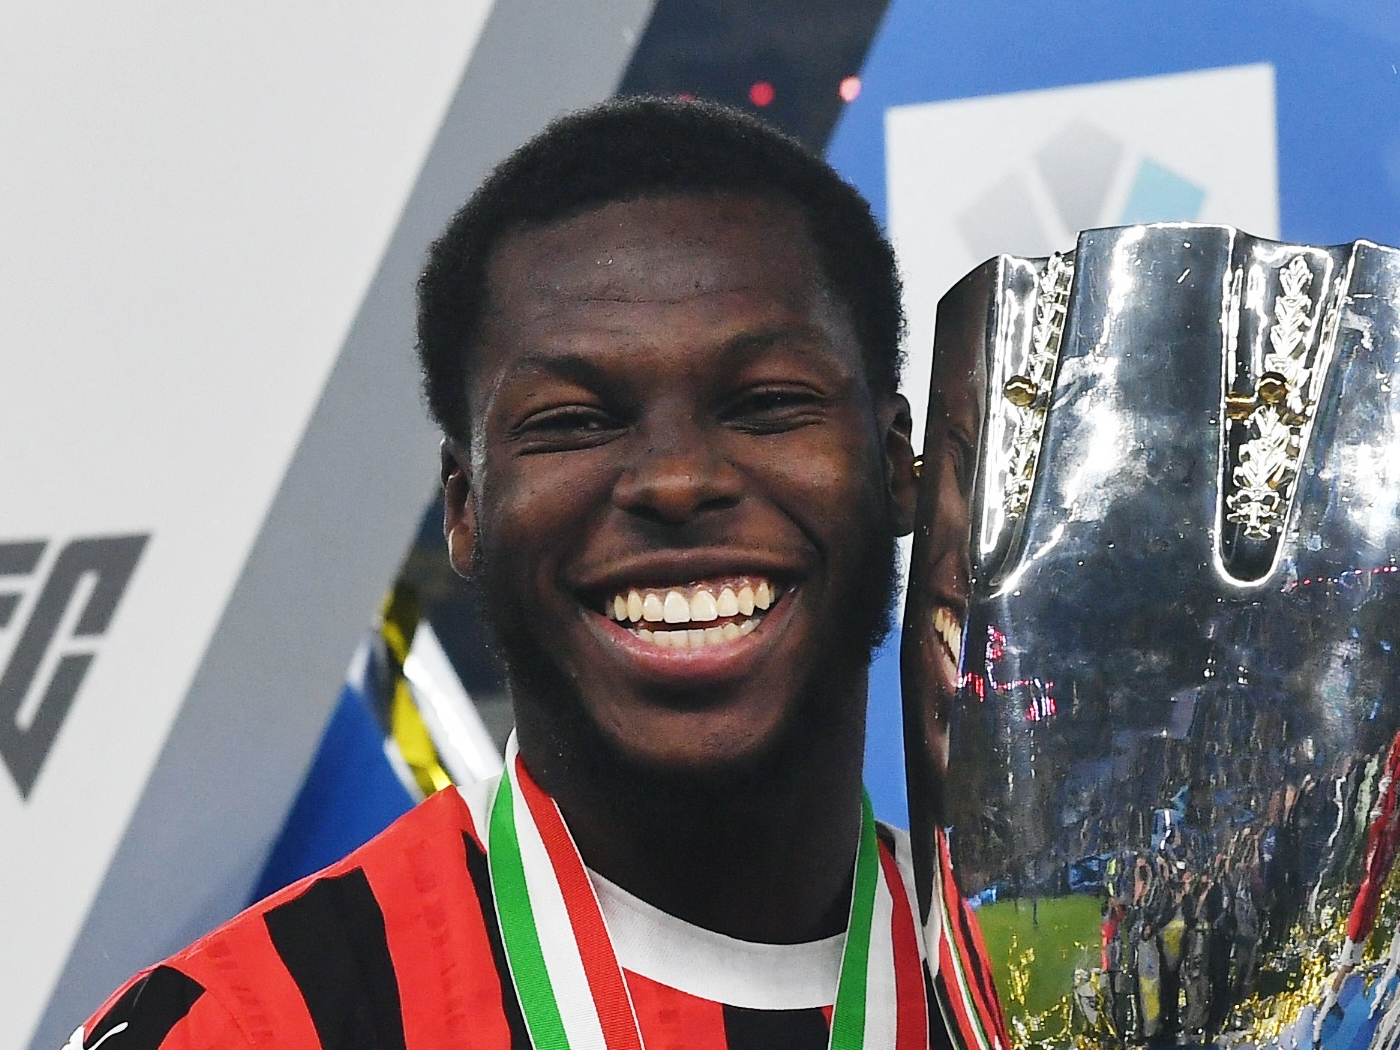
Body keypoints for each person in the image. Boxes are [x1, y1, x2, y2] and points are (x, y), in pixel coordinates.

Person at [70, 97, 941, 1050]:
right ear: (464, 506)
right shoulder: (247, 1027)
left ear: (897, 464)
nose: (678, 479)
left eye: (767, 403)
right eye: (572, 420)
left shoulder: (1050, 999)